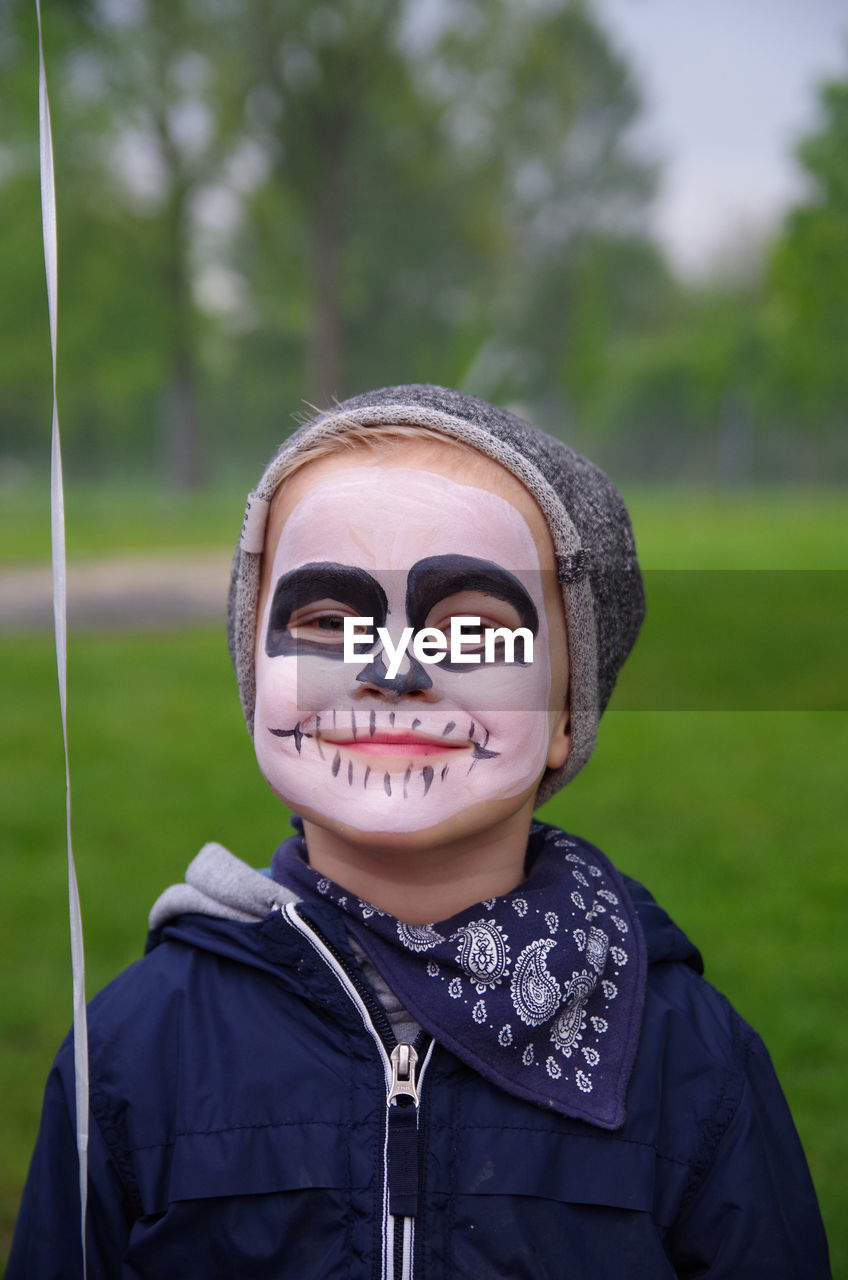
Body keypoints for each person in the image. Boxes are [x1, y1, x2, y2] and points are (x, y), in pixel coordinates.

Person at [9, 384, 830, 1278]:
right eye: (327, 621)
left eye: (473, 633)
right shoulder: (134, 1056)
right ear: (254, 673)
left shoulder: (689, 1065)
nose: (393, 670)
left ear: (568, 711)